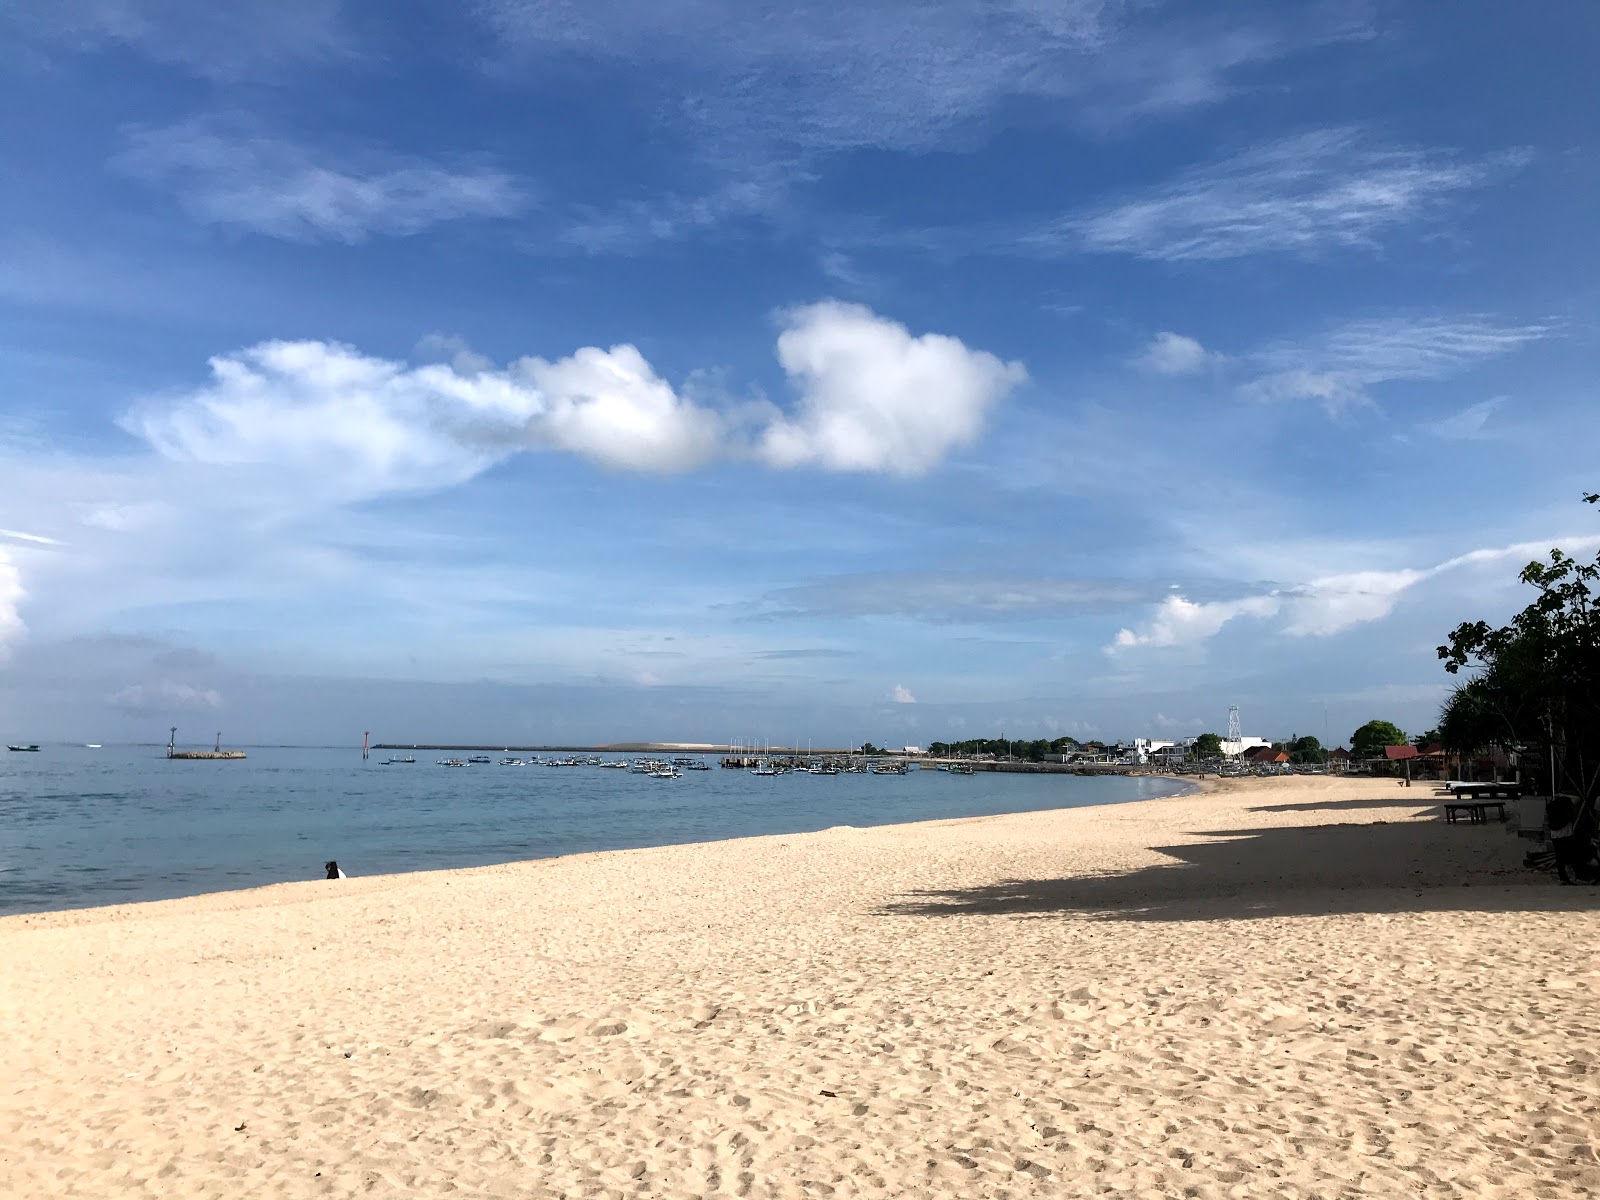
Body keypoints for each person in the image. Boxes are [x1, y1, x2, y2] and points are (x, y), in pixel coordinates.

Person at [1546, 796, 1594, 885]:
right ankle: (1576, 875)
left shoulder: (1552, 808)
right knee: (1571, 856)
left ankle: (1563, 877)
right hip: (1566, 834)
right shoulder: (1566, 807)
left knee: (1559, 857)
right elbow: (1577, 799)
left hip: (1555, 835)